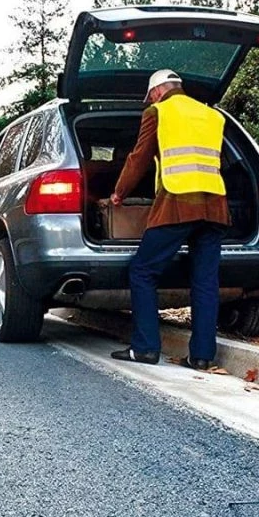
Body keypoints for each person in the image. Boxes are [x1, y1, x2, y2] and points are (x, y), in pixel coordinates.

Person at [108, 69, 229, 370]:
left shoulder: (158, 112)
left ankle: (145, 348)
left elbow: (139, 158)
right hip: (214, 205)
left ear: (158, 91)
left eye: (149, 96)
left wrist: (119, 193)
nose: (148, 101)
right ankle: (202, 356)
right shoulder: (212, 116)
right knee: (205, 281)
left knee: (143, 271)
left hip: (177, 202)